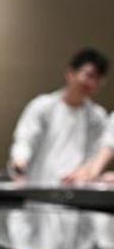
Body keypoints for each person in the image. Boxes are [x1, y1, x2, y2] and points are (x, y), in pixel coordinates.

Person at [8, 47, 111, 185]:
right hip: (39, 188)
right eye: (89, 75)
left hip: (75, 192)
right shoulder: (43, 106)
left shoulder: (97, 116)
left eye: (98, 79)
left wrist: (86, 171)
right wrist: (19, 161)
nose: (92, 83)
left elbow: (96, 154)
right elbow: (25, 139)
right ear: (70, 73)